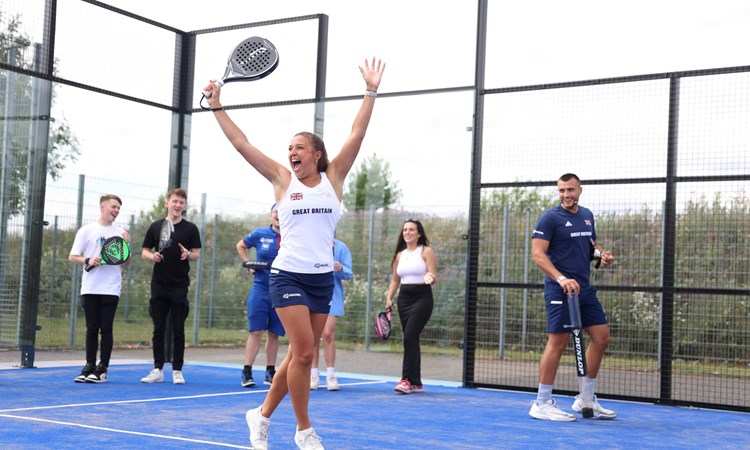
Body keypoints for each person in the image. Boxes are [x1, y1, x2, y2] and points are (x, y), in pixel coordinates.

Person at [204, 56, 385, 450]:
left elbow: (357, 134)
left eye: (299, 148)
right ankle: (304, 430)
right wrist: (217, 106)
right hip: (286, 275)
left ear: (316, 154)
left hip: (322, 280)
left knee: (299, 355)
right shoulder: (282, 180)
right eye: (289, 148)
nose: (291, 153)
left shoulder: (333, 178)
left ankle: (261, 416)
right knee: (304, 353)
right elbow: (241, 143)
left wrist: (370, 91)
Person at [529, 173, 616, 421]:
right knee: (557, 342)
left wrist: (601, 255)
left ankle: (585, 400)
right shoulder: (549, 218)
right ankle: (542, 403)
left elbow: (590, 244)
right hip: (560, 289)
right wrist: (561, 278)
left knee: (601, 338)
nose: (566, 195)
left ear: (580, 190)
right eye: (561, 191)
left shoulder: (587, 215)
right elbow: (538, 254)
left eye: (570, 190)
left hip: (584, 288)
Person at [139, 188, 202, 385]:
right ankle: (157, 369)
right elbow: (144, 251)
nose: (177, 205)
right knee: (158, 328)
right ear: (168, 203)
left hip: (179, 286)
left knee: (178, 329)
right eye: (175, 201)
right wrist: (153, 256)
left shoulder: (191, 229)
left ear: (184, 206)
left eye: (181, 203)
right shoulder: (156, 226)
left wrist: (187, 255)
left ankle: (177, 370)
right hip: (159, 284)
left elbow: (196, 254)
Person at [68, 194, 130, 383]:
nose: (116, 210)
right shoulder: (86, 230)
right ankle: (88, 366)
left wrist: (127, 243)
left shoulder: (121, 233)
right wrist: (88, 260)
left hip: (111, 288)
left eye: (119, 208)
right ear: (102, 207)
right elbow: (73, 256)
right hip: (90, 287)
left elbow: (126, 262)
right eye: (113, 206)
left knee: (106, 328)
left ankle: (102, 368)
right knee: (91, 328)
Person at [385, 218, 437, 395]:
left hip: (422, 298)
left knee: (409, 336)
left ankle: (406, 380)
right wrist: (389, 298)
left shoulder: (426, 251)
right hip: (404, 299)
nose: (407, 232)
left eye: (411, 230)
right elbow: (395, 280)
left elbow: (433, 274)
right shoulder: (400, 255)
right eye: (405, 230)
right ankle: (416, 382)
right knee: (411, 339)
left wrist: (430, 277)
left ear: (419, 234)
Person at [236, 204, 284, 388]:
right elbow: (240, 246)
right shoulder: (260, 234)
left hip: (281, 291)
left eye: (281, 212)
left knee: (274, 333)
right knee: (255, 331)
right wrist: (248, 264)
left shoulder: (291, 235)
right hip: (261, 289)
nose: (278, 215)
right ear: (271, 215)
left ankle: (270, 372)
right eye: (275, 212)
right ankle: (247, 372)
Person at [310, 238, 353, 391]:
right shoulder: (312, 244)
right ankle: (313, 375)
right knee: (313, 337)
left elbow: (349, 274)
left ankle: (331, 375)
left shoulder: (341, 247)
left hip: (332, 297)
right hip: (313, 294)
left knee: (327, 334)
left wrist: (340, 268)